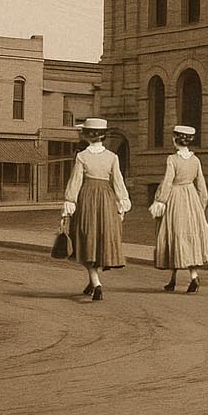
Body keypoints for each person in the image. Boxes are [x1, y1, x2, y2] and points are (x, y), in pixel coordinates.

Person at [61, 117, 131, 301]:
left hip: (87, 200)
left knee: (85, 241)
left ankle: (96, 282)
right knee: (99, 241)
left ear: (86, 135)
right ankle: (92, 282)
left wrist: (69, 204)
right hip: (106, 200)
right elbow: (118, 182)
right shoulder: (112, 157)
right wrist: (122, 203)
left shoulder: (82, 157)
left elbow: (75, 183)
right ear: (103, 136)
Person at [149, 124, 208, 292]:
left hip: (175, 198)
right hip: (191, 198)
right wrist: (200, 206)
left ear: (175, 140)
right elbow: (201, 185)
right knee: (190, 238)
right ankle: (191, 277)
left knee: (174, 236)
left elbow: (167, 181)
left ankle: (174, 279)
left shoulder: (172, 159)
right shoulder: (195, 160)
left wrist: (160, 201)